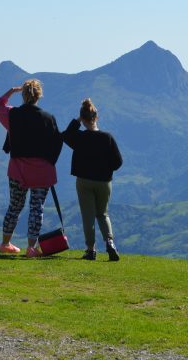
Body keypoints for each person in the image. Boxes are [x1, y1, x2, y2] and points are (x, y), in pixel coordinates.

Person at [0, 79, 63, 257]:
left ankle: (5, 243)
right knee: (36, 208)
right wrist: (50, 162)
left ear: (23, 95)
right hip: (42, 170)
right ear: (39, 95)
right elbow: (57, 143)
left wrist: (10, 91)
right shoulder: (49, 118)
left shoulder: (13, 115)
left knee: (14, 206)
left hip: (18, 169)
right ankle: (31, 248)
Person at [62, 98, 123, 261]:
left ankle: (91, 250)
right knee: (102, 213)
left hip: (84, 181)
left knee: (87, 215)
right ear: (96, 117)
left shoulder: (79, 138)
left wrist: (76, 121)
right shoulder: (107, 138)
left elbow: (65, 136)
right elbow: (118, 162)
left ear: (83, 119)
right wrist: (106, 170)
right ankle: (110, 242)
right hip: (104, 182)